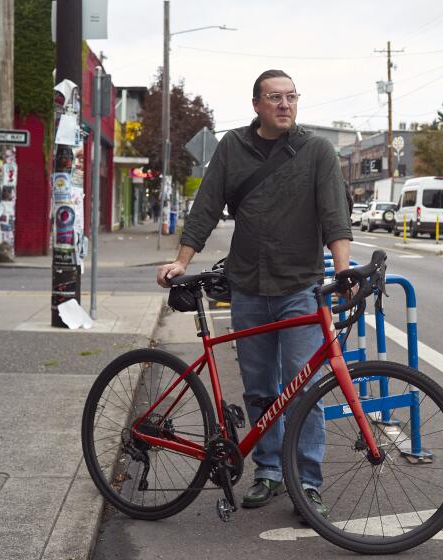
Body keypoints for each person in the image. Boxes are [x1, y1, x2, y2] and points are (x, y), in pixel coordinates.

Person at [156, 69, 352, 518]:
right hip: (247, 288)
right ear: (257, 105)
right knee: (261, 390)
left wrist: (342, 270)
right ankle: (268, 472)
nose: (285, 104)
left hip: (299, 288)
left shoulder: (317, 152)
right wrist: (182, 261)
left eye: (291, 96)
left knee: (303, 389)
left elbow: (333, 215)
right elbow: (205, 206)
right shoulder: (233, 148)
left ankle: (307, 483)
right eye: (275, 97)